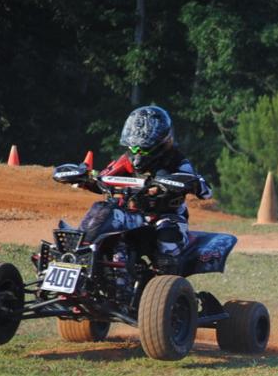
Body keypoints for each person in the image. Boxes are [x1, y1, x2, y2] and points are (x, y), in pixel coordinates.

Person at [62, 105, 212, 273]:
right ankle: (77, 256)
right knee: (101, 210)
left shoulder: (177, 161)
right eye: (134, 148)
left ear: (161, 141)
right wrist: (85, 179)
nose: (137, 153)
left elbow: (206, 191)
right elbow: (104, 179)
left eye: (142, 148)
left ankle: (166, 285)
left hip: (164, 218)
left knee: (167, 241)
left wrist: (185, 182)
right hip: (132, 215)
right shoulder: (128, 159)